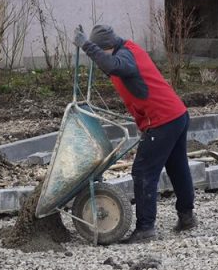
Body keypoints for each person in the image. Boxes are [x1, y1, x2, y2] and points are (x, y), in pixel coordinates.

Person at [72, 24, 197, 243]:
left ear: (108, 46)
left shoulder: (125, 57)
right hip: (176, 114)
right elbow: (107, 64)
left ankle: (146, 228)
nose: (98, 58)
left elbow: (111, 64)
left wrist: (86, 45)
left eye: (101, 52)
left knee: (143, 172)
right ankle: (187, 217)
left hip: (162, 120)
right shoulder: (126, 50)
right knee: (178, 167)